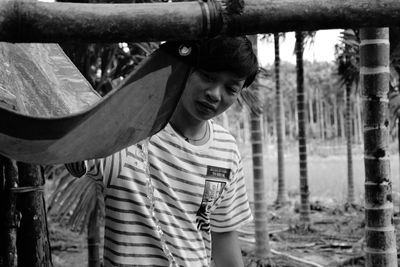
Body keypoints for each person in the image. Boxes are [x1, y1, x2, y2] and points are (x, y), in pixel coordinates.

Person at [65, 35, 259, 267]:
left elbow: (224, 237)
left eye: (231, 88)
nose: (215, 94)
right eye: (208, 76)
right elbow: (73, 147)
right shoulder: (128, 134)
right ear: (183, 68)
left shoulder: (226, 150)